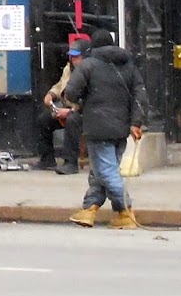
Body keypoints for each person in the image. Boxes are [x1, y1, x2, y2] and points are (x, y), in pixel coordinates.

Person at [56, 29, 145, 228]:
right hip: (121, 128)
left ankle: (125, 211)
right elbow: (140, 95)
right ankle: (89, 209)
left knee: (105, 171)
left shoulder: (88, 65)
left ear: (93, 46)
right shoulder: (128, 65)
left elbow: (70, 93)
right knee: (101, 171)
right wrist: (136, 123)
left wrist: (74, 99)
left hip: (97, 126)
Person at [35, 37, 90, 173]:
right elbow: (61, 85)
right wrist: (51, 95)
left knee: (72, 120)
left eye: (76, 57)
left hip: (85, 112)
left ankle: (70, 162)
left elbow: (89, 98)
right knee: (43, 120)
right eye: (71, 56)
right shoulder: (69, 68)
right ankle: (47, 159)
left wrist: (71, 110)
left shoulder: (90, 72)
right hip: (67, 107)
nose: (73, 59)